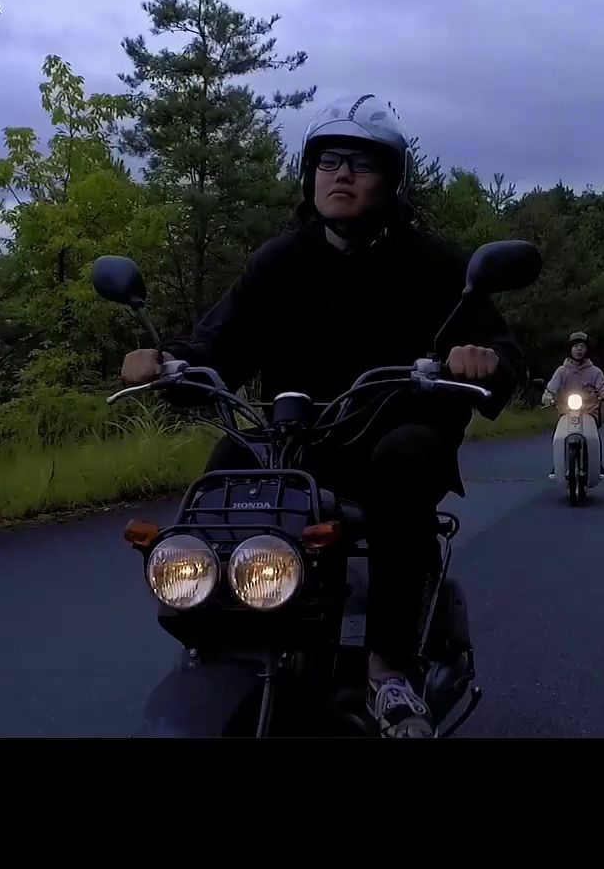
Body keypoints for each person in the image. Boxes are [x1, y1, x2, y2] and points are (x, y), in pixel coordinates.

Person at [118, 93, 524, 737]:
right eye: (329, 161)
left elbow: (501, 353)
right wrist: (167, 362)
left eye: (361, 164)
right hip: (297, 445)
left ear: (392, 181)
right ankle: (215, 630)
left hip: (394, 437)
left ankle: (388, 671)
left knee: (402, 460)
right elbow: (218, 345)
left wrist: (480, 359)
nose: (341, 174)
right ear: (309, 176)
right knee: (229, 461)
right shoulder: (280, 261)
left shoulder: (436, 265)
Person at [543, 331, 604, 477]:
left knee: (594, 437)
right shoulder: (562, 371)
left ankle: (597, 464)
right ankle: (559, 464)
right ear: (570, 349)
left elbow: (603, 386)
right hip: (566, 411)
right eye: (575, 346)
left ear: (587, 350)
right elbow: (552, 387)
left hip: (588, 412)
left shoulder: (594, 371)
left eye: (582, 346)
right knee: (559, 436)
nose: (579, 349)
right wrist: (548, 396)